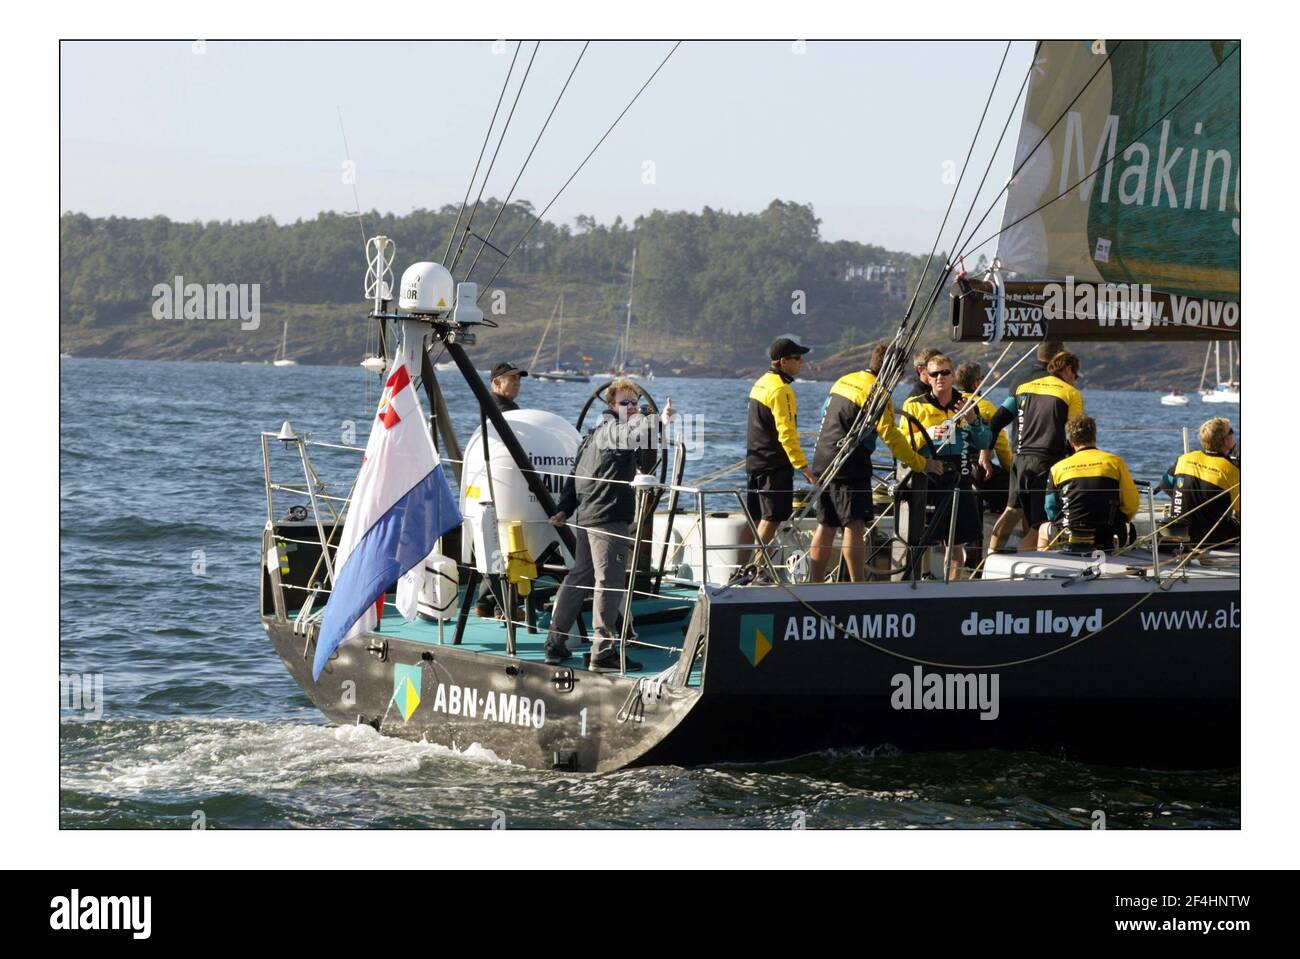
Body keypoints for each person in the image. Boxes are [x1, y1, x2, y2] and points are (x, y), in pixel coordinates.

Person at [546, 380, 675, 671]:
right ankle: (603, 653)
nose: (630, 407)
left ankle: (555, 644)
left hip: (588, 517)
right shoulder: (617, 431)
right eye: (625, 403)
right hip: (609, 519)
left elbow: (575, 473)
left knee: (578, 577)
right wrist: (660, 420)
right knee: (609, 583)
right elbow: (639, 432)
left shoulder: (592, 436)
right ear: (610, 407)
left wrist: (565, 508)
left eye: (634, 403)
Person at [808, 343, 943, 582]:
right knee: (854, 524)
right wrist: (922, 463)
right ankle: (859, 586)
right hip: (849, 465)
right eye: (900, 373)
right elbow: (892, 438)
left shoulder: (844, 381)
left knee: (826, 524)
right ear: (893, 370)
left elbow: (824, 413)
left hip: (822, 458)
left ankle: (813, 584)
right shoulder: (878, 394)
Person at [899, 353, 994, 580]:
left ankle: (953, 587)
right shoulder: (914, 405)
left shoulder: (966, 404)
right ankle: (924, 577)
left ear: (953, 376)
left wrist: (973, 421)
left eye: (945, 373)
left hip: (959, 478)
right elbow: (902, 443)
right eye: (934, 374)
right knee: (923, 538)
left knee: (956, 542)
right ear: (927, 377)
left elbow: (984, 442)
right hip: (928, 477)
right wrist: (928, 434)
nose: (940, 377)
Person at [988, 350, 1084, 553]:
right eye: (1075, 376)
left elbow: (996, 421)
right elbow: (1073, 437)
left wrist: (986, 452)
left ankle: (989, 559)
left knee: (1012, 510)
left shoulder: (1023, 388)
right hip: (1045, 464)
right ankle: (1021, 572)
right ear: (1068, 369)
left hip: (1019, 460)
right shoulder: (1070, 394)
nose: (1075, 381)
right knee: (1039, 526)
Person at [745, 335, 815, 563]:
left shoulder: (761, 382)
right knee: (771, 518)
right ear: (783, 361)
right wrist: (803, 466)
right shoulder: (781, 390)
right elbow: (787, 433)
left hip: (754, 461)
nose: (801, 363)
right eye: (797, 358)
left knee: (758, 517)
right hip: (774, 464)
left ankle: (749, 567)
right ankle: (757, 570)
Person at [474, 361, 530, 618]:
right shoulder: (502, 410)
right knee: (510, 544)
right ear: (496, 382)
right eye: (512, 379)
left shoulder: (499, 407)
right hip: (504, 486)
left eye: (519, 379)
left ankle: (485, 603)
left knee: (491, 543)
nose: (517, 383)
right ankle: (504, 607)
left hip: (490, 484)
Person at [1043, 415, 1139, 551]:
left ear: (1070, 442)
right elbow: (1131, 504)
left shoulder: (1057, 468)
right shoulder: (1115, 462)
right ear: (1094, 437)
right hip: (1109, 536)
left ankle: (1047, 562)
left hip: (1070, 535)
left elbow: (1051, 509)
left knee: (1043, 529)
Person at [1161, 417, 1240, 548]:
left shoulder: (1185, 459)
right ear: (1225, 440)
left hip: (1179, 533)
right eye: (1231, 431)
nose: (1234, 434)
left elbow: (1166, 485)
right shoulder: (1231, 469)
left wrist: (1190, 499)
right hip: (1213, 539)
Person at [956, 362, 1013, 513]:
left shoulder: (951, 404)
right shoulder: (986, 407)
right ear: (976, 383)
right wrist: (1011, 470)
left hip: (954, 467)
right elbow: (1001, 446)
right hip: (977, 470)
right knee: (1012, 489)